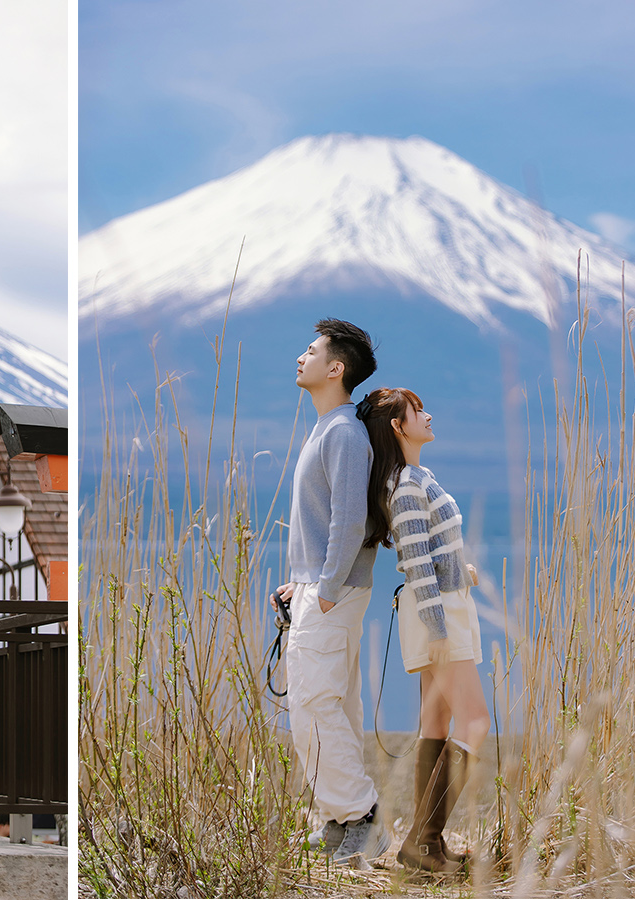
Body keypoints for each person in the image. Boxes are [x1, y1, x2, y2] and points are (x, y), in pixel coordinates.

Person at [358, 387, 488, 874]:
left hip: (444, 607)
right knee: (475, 723)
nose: (428, 415)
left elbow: (432, 552)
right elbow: (414, 563)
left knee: (435, 725)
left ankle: (426, 845)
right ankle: (422, 842)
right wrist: (437, 629)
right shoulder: (408, 484)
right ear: (399, 426)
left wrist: (461, 569)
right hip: (439, 616)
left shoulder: (416, 477)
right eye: (418, 411)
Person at [272, 319, 383, 867]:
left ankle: (362, 814)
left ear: (335, 368)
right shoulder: (328, 428)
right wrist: (302, 582)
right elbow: (323, 526)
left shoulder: (341, 432)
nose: (301, 356)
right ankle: (341, 822)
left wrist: (328, 590)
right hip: (317, 589)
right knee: (331, 705)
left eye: (310, 350)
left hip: (331, 594)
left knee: (313, 705)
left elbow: (348, 520)